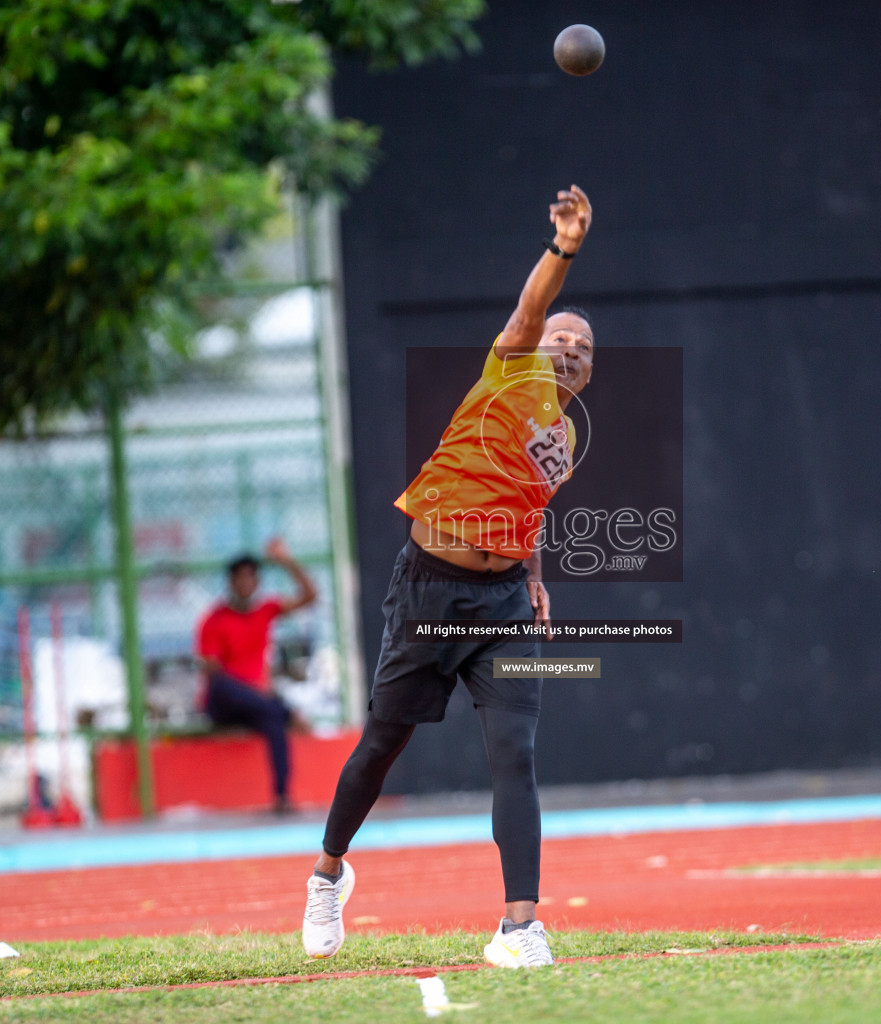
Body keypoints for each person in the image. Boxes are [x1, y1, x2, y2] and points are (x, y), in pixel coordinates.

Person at [302, 185, 595, 969]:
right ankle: (329, 871)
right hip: (430, 588)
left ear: (591, 371)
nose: (568, 348)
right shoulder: (511, 369)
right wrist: (563, 248)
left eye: (584, 347)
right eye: (560, 337)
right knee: (383, 742)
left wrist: (530, 573)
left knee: (515, 751)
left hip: (501, 602)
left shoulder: (563, 435)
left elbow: (519, 501)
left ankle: (519, 927)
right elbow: (533, 309)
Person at [195, 537, 319, 814]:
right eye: (240, 578)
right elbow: (211, 670)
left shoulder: (266, 610)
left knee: (272, 718)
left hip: (258, 703)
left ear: (257, 582)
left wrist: (286, 560)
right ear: (231, 583)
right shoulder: (214, 619)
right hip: (225, 702)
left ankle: (282, 796)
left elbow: (311, 596)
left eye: (250, 578)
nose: (245, 584)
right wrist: (260, 694)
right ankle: (287, 711)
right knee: (227, 687)